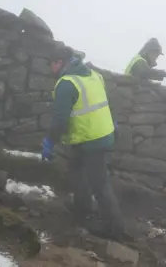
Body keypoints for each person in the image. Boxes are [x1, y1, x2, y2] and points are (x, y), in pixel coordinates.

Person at [41, 45, 127, 242]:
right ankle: (83, 208)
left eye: (51, 64)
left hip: (92, 139)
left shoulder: (66, 83)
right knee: (77, 170)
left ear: (60, 62)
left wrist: (49, 142)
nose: (50, 69)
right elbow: (103, 102)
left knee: (99, 184)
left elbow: (60, 120)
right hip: (100, 134)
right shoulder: (93, 75)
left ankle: (115, 228)